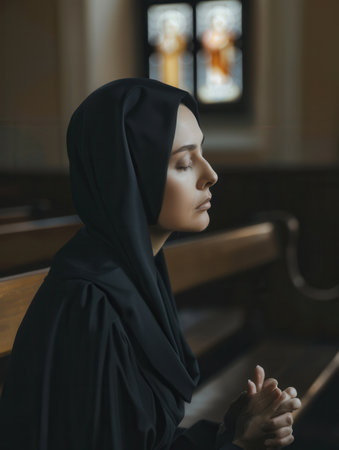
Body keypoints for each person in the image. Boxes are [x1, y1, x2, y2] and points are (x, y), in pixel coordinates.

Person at [0, 78, 300, 449]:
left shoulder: (135, 270)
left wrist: (235, 429)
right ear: (128, 176)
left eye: (202, 154)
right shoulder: (91, 305)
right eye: (184, 163)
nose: (211, 175)